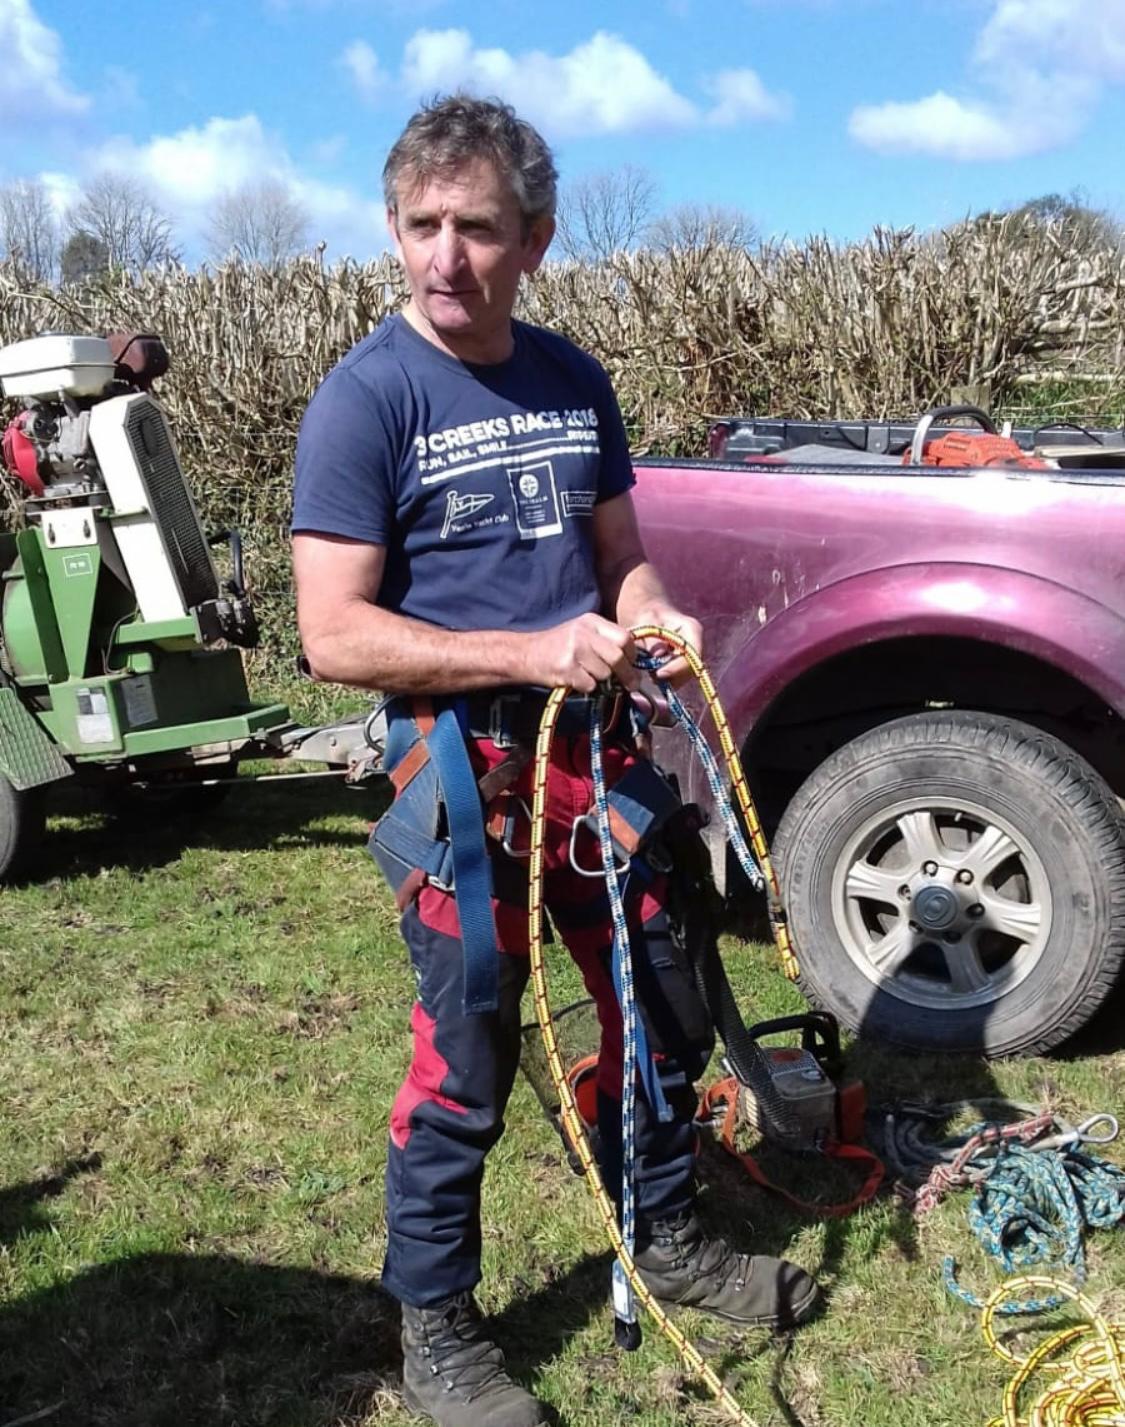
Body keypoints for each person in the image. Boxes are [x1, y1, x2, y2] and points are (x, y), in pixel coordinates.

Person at [291, 94, 818, 1427]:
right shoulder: (364, 404)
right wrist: (529, 655)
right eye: (420, 226)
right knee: (464, 1053)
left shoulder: (572, 377)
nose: (442, 258)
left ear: (534, 236)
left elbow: (619, 558)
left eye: (475, 228)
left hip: (596, 758)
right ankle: (440, 1334)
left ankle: (664, 1231)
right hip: (461, 779)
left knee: (658, 1006)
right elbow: (332, 636)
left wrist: (651, 616)